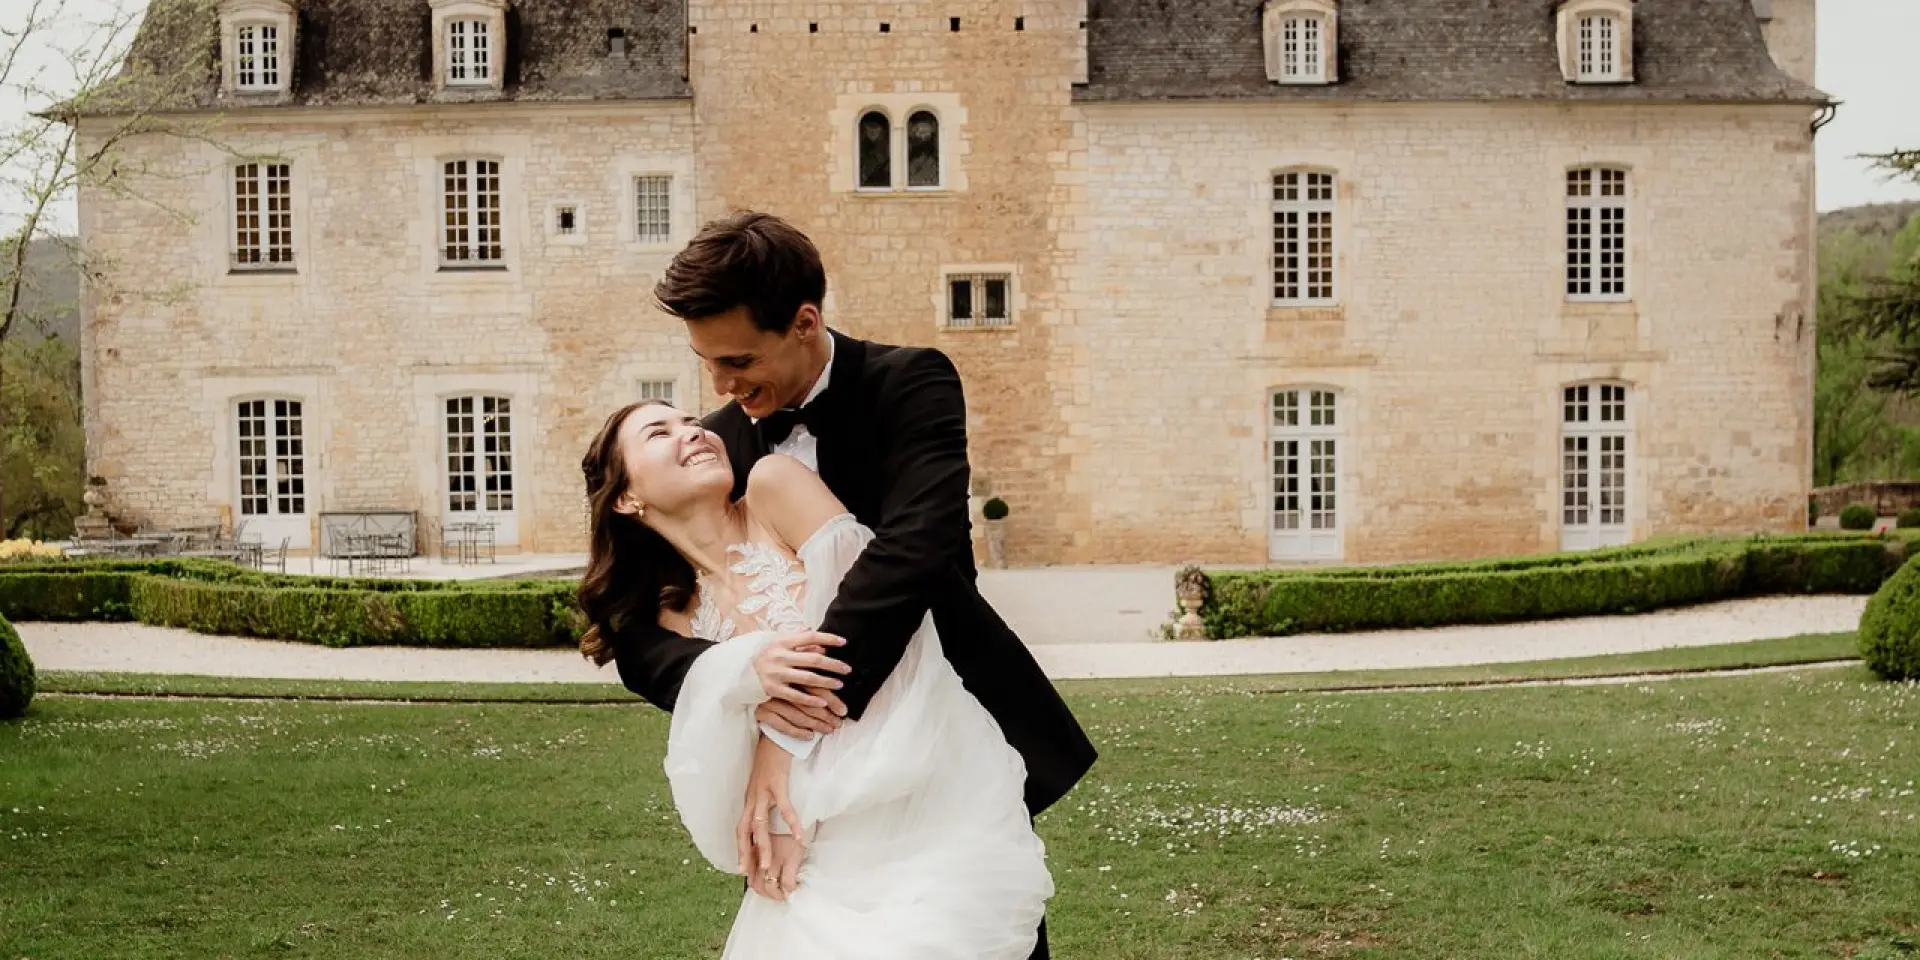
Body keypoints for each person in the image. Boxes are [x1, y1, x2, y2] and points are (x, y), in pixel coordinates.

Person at [589, 211, 1096, 958]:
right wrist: (744, 672)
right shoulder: (720, 444)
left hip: (939, 732)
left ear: (803, 322)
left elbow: (910, 557)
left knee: (981, 935)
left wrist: (781, 733)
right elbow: (642, 634)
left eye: (736, 360)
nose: (720, 389)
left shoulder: (909, 382)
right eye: (708, 363)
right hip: (815, 801)